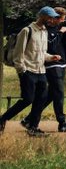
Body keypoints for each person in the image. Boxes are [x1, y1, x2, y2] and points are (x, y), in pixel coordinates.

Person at [0, 7, 60, 137]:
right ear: (42, 16)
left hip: (41, 71)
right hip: (28, 71)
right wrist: (22, 71)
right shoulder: (27, 31)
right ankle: (2, 119)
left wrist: (51, 57)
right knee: (27, 99)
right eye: (50, 17)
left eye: (52, 18)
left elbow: (42, 53)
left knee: (41, 99)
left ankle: (33, 128)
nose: (51, 20)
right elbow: (18, 54)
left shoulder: (45, 32)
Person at [44, 7, 66, 133]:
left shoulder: (58, 26)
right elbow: (50, 45)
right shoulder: (47, 29)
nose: (62, 22)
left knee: (52, 94)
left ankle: (30, 118)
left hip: (61, 64)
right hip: (53, 65)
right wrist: (61, 33)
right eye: (62, 19)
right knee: (58, 93)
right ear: (55, 18)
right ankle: (62, 122)